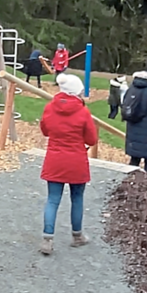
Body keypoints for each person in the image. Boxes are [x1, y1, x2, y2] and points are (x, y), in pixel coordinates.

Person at [38, 74, 98, 256]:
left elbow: (45, 130)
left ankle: (47, 238)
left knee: (52, 199)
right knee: (77, 198)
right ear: (76, 92)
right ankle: (77, 235)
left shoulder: (50, 108)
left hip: (55, 160)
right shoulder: (83, 112)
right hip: (76, 161)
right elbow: (92, 139)